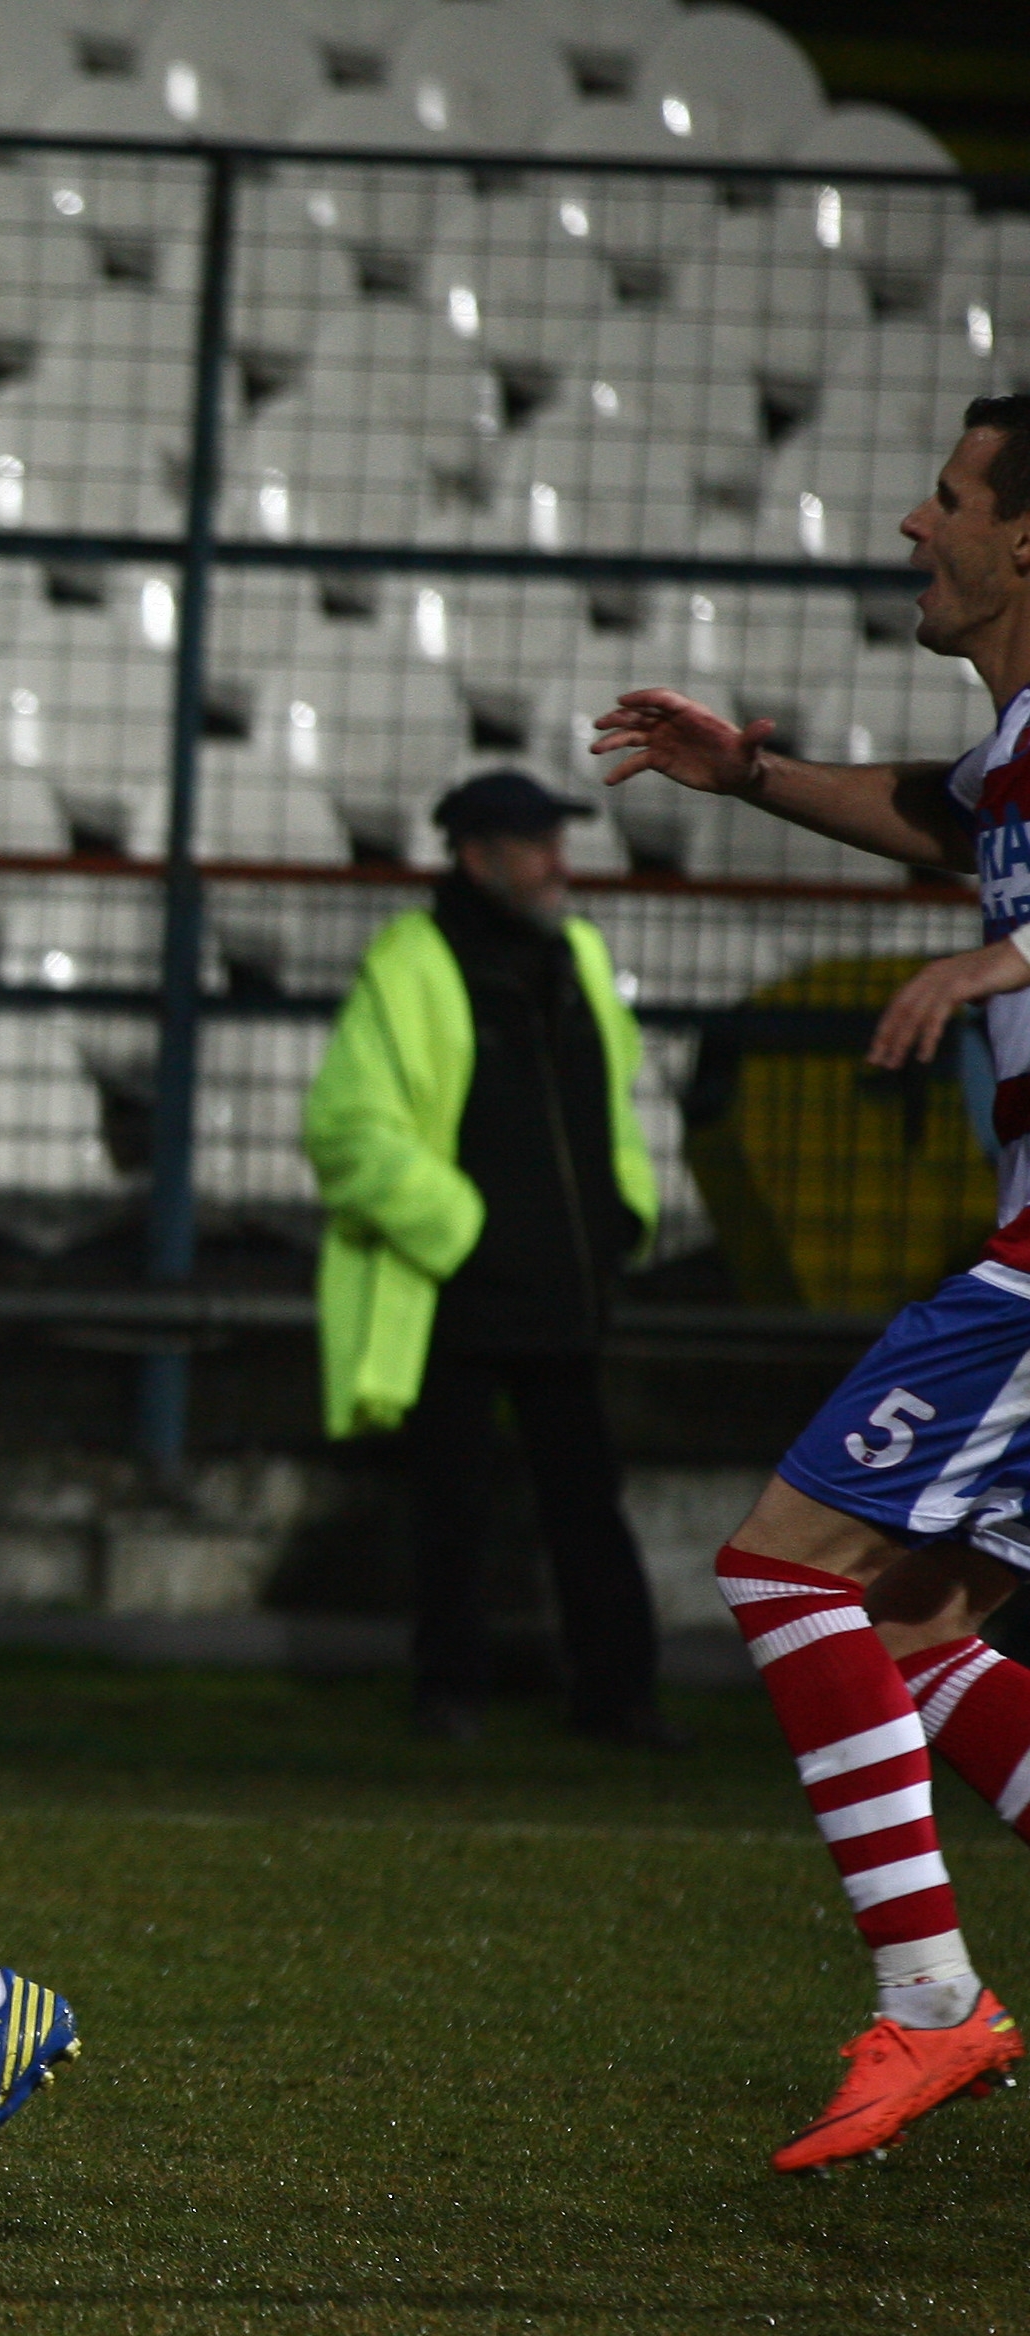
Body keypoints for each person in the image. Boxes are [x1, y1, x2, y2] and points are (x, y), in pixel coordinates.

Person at [590, 391, 1030, 2172]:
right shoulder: (1007, 756)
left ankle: (929, 2007)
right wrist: (747, 773)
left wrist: (987, 963)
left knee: (782, 1566)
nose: (909, 529)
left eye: (943, 501)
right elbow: (937, 817)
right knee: (917, 1626)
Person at [303, 767, 671, 1747]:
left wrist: (619, 1217)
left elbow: (614, 1101)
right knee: (454, 1508)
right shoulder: (414, 960)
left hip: (561, 1283)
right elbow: (347, 1128)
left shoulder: (574, 954)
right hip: (457, 1289)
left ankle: (613, 1695)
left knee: (583, 1501)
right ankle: (454, 1690)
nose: (560, 860)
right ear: (478, 856)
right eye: (537, 841)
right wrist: (466, 1231)